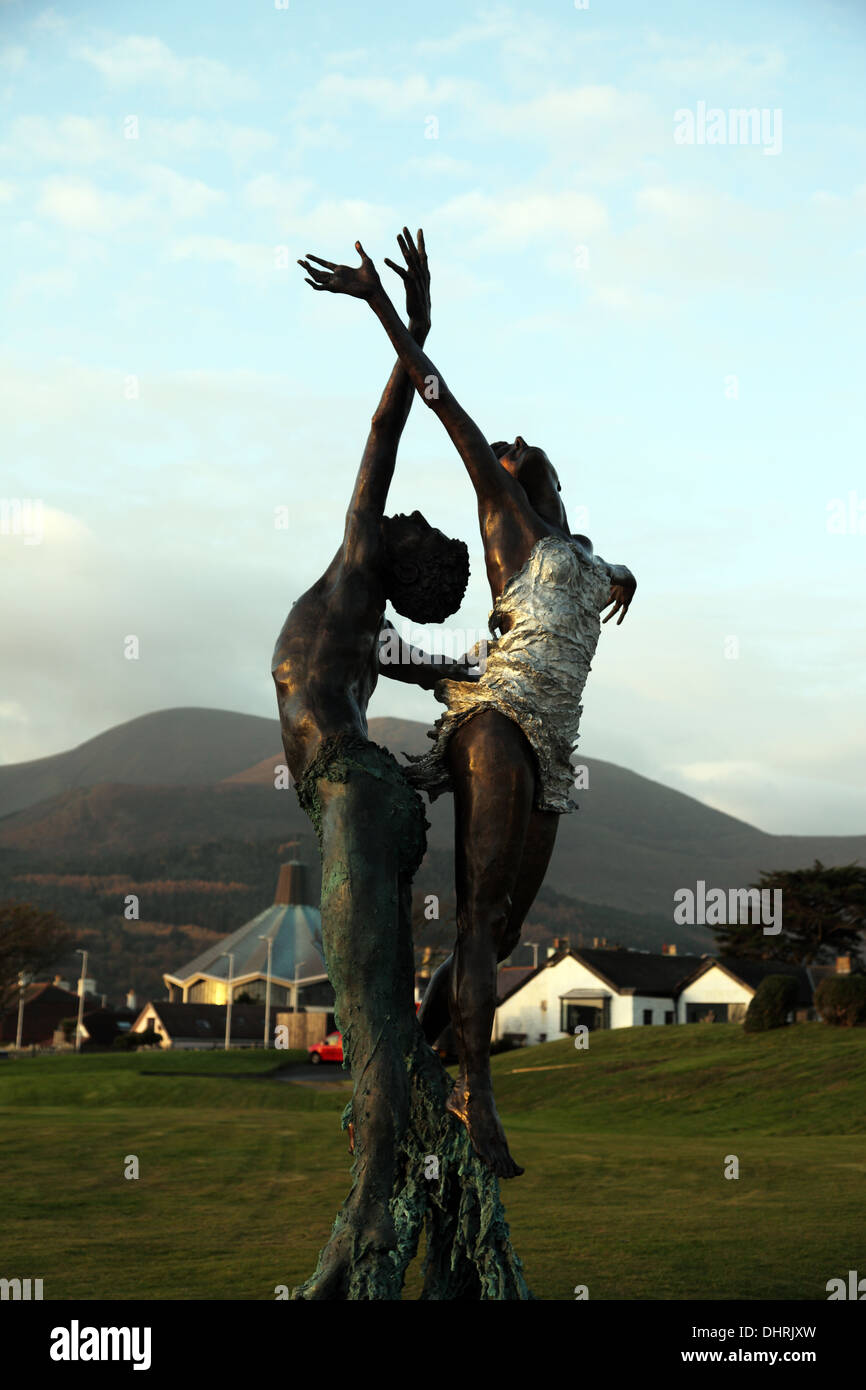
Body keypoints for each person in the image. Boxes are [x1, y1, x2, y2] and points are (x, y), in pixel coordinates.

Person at [298, 231, 636, 1179]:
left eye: (526, 447)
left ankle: (417, 1050)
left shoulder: (584, 550)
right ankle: (474, 1101)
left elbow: (603, 567)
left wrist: (627, 571)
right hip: (495, 725)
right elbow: (438, 398)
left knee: (507, 932)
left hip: (552, 743)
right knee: (477, 920)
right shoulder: (508, 513)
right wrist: (386, 305)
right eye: (507, 448)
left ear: (555, 480)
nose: (512, 444)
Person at [273, 229, 471, 1278]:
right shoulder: (366, 642)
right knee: (383, 1021)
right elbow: (433, 665)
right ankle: (429, 1199)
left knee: (372, 1029)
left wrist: (402, 321)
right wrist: (469, 676)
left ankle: (372, 1228)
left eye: (417, 526)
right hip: (367, 801)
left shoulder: (355, 567)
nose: (400, 511)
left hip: (356, 796)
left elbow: (384, 425)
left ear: (396, 558)